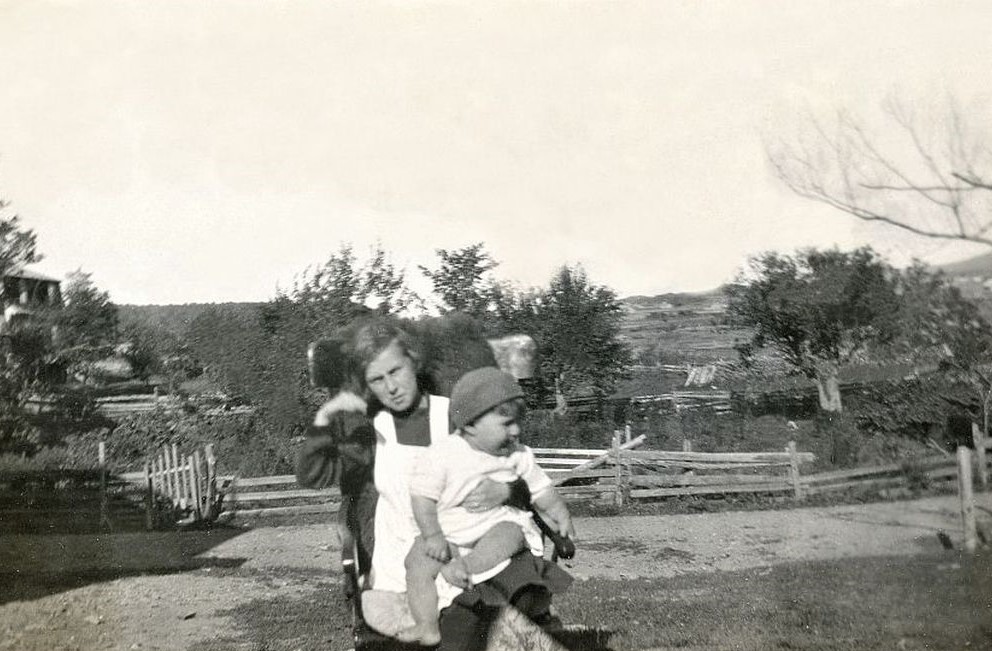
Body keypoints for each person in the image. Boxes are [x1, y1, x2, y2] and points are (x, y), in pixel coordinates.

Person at [297, 317, 572, 651]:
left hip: (473, 541)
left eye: (396, 371)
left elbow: (511, 462)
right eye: (377, 379)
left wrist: (507, 490)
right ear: (367, 385)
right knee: (467, 623)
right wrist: (325, 416)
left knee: (492, 606)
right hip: (408, 556)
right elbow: (313, 475)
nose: (391, 387)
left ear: (413, 361)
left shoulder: (456, 415)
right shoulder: (373, 432)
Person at [398, 367, 575, 646]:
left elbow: (542, 490)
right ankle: (426, 624)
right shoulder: (443, 454)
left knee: (510, 532)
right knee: (416, 562)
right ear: (470, 425)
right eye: (506, 423)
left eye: (517, 422)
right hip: (449, 532)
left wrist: (560, 514)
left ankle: (467, 567)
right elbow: (422, 496)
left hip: (496, 525)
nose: (516, 431)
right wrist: (432, 535)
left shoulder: (519, 455)